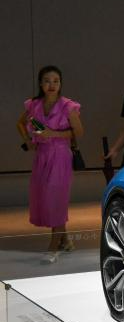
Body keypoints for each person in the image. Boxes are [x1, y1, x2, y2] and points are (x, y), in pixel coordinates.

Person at [16, 65, 85, 263]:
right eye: (47, 81)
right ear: (40, 83)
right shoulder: (34, 104)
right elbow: (20, 123)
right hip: (42, 155)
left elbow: (79, 132)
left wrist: (53, 133)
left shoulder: (67, 106)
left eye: (56, 81)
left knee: (56, 198)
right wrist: (28, 141)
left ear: (61, 83)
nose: (52, 85)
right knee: (44, 197)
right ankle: (66, 240)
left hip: (60, 155)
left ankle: (54, 246)